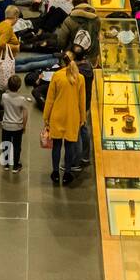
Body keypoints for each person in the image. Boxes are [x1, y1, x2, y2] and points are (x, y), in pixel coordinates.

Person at [43, 51, 87, 186]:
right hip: (72, 117)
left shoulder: (57, 76)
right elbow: (82, 101)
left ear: (62, 63)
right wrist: (82, 118)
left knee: (56, 145)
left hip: (57, 115)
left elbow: (50, 99)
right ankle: (67, 173)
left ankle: (55, 173)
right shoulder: (80, 78)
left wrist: (46, 117)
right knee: (69, 146)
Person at [0, 73, 28, 171]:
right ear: (19, 87)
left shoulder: (4, 96)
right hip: (17, 126)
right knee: (17, 146)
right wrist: (24, 126)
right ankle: (15, 165)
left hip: (6, 125)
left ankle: (6, 164)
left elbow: (2, 105)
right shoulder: (22, 99)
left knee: (6, 144)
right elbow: (25, 114)